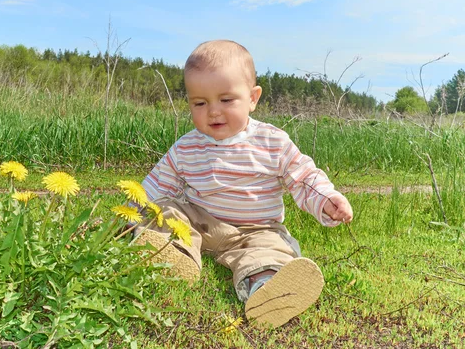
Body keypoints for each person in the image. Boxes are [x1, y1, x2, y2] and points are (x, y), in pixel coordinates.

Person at [138, 39, 353, 328]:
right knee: (166, 209)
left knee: (269, 251)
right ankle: (174, 256)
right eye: (200, 103)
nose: (213, 111)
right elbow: (158, 185)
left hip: (256, 229)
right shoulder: (186, 147)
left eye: (226, 100)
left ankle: (266, 289)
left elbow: (303, 177)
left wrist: (326, 199)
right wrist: (130, 210)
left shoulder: (271, 141)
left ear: (253, 98)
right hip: (203, 225)